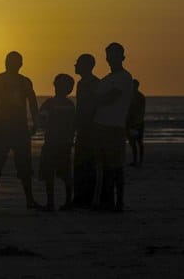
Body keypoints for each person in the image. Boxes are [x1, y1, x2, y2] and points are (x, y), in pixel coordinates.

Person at [0, 51, 41, 210]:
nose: (13, 64)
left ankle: (28, 199)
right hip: (3, 128)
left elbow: (33, 104)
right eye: (11, 61)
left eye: (15, 62)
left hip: (19, 128)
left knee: (24, 165)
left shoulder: (24, 82)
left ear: (20, 64)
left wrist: (35, 122)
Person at [91, 42, 133, 212]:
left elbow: (110, 98)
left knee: (116, 166)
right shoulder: (106, 79)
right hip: (100, 125)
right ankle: (105, 201)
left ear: (122, 57)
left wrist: (95, 101)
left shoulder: (124, 77)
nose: (111, 58)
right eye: (109, 54)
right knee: (104, 166)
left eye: (115, 54)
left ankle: (119, 201)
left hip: (114, 126)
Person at [38, 73, 76, 211]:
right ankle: (67, 201)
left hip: (52, 142)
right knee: (65, 173)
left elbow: (41, 118)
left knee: (50, 173)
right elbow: (74, 124)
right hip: (64, 142)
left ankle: (51, 202)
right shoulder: (70, 104)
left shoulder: (50, 103)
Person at [73, 53, 100, 208]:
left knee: (88, 163)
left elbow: (93, 106)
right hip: (82, 127)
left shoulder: (94, 83)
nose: (75, 65)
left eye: (78, 63)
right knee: (80, 162)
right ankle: (80, 197)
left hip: (90, 128)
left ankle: (87, 198)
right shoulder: (81, 83)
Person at [126, 79, 146, 167]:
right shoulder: (130, 96)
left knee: (138, 142)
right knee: (133, 143)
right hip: (131, 122)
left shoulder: (139, 97)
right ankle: (136, 160)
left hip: (137, 122)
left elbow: (141, 110)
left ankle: (139, 161)